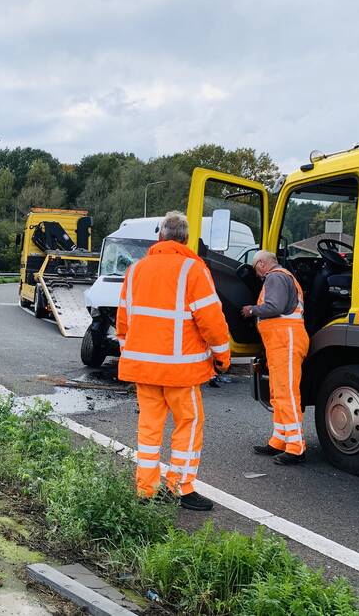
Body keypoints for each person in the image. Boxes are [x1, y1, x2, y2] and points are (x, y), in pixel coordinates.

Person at [117, 211, 231, 511]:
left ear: (160, 237)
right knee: (189, 424)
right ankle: (179, 488)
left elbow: (123, 321)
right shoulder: (193, 269)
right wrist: (222, 356)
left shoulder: (136, 270)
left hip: (144, 368)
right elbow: (211, 320)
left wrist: (131, 355)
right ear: (186, 239)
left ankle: (146, 490)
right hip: (182, 370)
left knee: (149, 428)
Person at [241, 250, 310, 465]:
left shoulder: (275, 277)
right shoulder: (283, 277)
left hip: (285, 341)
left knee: (286, 393)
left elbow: (274, 307)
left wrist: (251, 310)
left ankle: (296, 447)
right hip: (283, 341)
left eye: (256, 269)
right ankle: (279, 440)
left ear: (262, 264)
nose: (257, 274)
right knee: (278, 393)